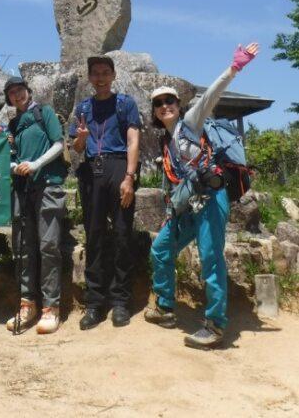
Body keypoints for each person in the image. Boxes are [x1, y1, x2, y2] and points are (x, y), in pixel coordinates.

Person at [144, 42, 259, 349]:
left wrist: (235, 67)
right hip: (187, 207)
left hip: (210, 198)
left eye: (170, 100)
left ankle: (216, 324)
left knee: (210, 258)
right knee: (161, 249)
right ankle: (166, 307)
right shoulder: (165, 144)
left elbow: (212, 95)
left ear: (179, 105)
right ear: (154, 112)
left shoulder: (190, 124)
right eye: (159, 103)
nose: (165, 105)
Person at [70, 56, 140, 330]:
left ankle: (121, 301)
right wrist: (82, 139)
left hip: (119, 166)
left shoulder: (125, 104)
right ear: (89, 77)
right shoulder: (83, 107)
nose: (100, 77)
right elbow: (75, 148)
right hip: (91, 171)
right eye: (95, 73)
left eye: (104, 72)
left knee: (123, 234)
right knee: (94, 235)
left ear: (113, 75)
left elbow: (133, 139)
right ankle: (95, 303)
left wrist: (129, 177)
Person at [4, 76, 67, 335]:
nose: (17, 96)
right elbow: (7, 155)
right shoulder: (12, 124)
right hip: (22, 189)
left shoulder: (46, 113)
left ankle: (51, 308)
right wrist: (14, 167)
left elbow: (59, 143)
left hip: (48, 186)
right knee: (23, 248)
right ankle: (26, 303)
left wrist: (36, 164)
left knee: (48, 246)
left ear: (28, 92)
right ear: (8, 99)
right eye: (12, 93)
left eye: (20, 91)